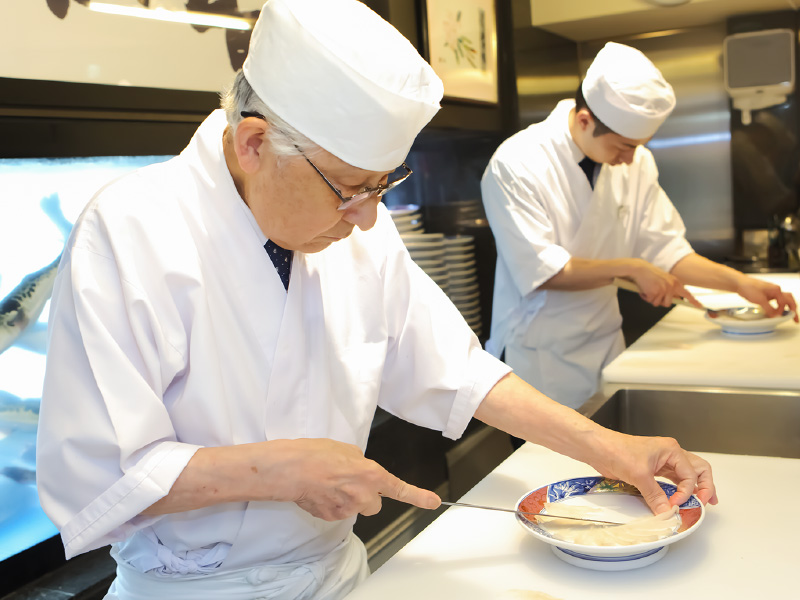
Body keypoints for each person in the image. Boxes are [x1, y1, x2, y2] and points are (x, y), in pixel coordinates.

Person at [37, 7, 717, 600]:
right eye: (349, 189)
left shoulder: (359, 228)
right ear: (253, 145)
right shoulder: (130, 230)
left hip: (338, 573)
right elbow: (98, 476)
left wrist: (609, 449)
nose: (367, 219)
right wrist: (282, 470)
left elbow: (456, 367)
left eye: (381, 187)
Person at [481, 42, 797, 410]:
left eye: (639, 146)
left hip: (606, 347)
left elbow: (667, 251)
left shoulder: (636, 161)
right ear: (585, 120)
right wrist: (632, 268)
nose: (631, 159)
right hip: (539, 357)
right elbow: (542, 271)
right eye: (624, 146)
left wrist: (740, 284)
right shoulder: (516, 164)